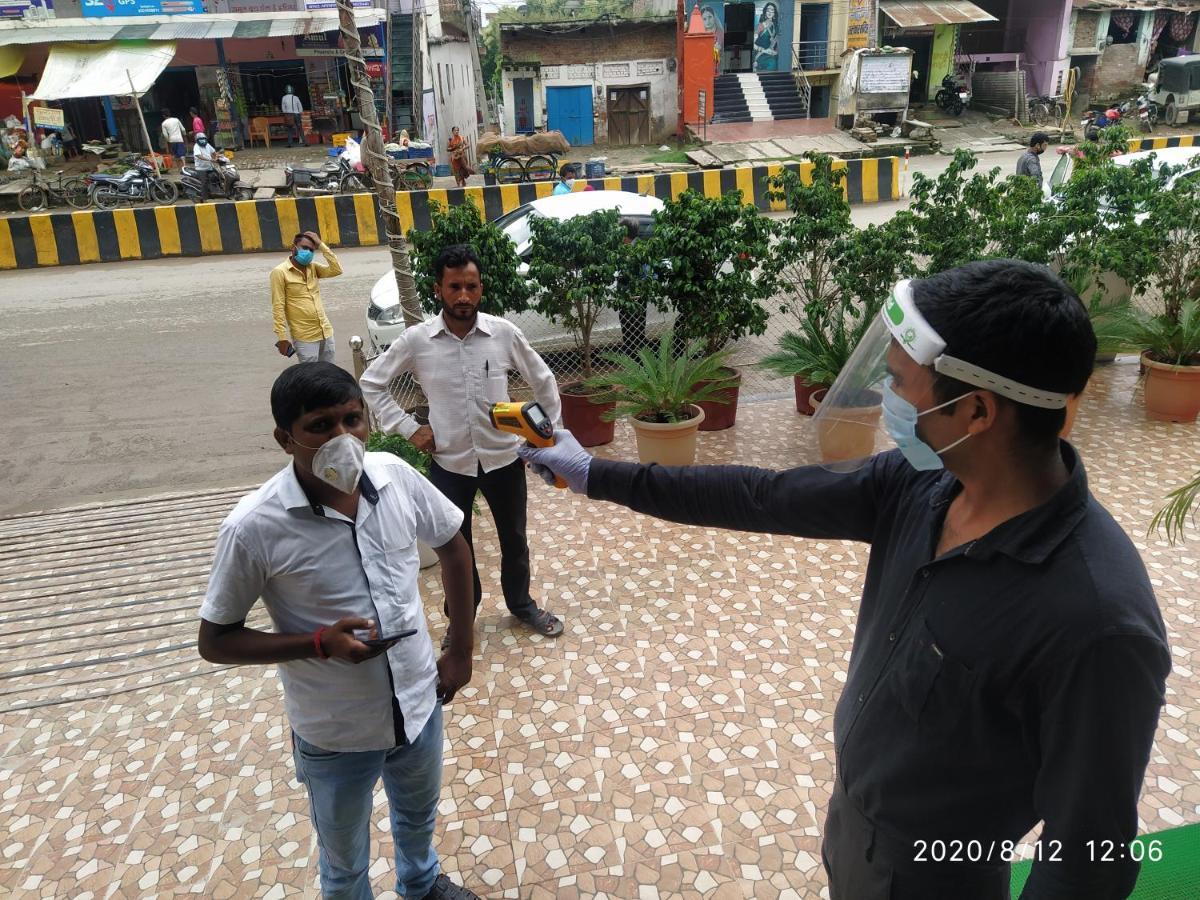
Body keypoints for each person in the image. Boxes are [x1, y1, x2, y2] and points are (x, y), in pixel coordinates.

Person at [520, 260, 1170, 900]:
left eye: (898, 384)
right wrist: (595, 476)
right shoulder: (927, 484)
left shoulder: (1095, 622)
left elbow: (1090, 861)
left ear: (976, 412)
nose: (886, 400)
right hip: (854, 828)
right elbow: (760, 496)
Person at [198, 362, 482, 900]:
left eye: (353, 419)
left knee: (418, 817)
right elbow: (215, 640)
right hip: (336, 732)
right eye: (320, 426)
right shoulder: (254, 527)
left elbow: (453, 545)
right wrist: (317, 643)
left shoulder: (394, 477)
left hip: (419, 704)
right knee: (344, 860)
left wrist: (460, 647)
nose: (343, 438)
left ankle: (420, 884)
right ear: (285, 439)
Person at [360, 244, 566, 642]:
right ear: (438, 289)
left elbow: (544, 381)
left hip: (504, 460)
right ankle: (461, 618)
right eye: (454, 287)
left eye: (471, 286)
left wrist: (545, 438)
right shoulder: (417, 341)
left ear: (481, 288)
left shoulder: (503, 333)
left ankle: (521, 605)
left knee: (515, 539)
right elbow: (372, 382)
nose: (463, 296)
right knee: (456, 547)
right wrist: (407, 428)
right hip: (449, 465)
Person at [270, 231, 342, 364]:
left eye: (311, 250)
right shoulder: (279, 272)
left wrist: (321, 245)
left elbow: (337, 270)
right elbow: (278, 306)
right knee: (310, 378)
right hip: (305, 337)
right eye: (305, 248)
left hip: (325, 331)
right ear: (294, 248)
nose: (308, 252)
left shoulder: (313, 268)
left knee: (330, 375)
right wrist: (282, 337)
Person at [192, 132, 219, 202]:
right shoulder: (196, 146)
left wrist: (216, 156)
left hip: (209, 167)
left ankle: (216, 192)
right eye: (200, 139)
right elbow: (198, 155)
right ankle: (204, 199)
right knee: (204, 183)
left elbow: (213, 152)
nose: (202, 140)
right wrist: (210, 159)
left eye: (203, 139)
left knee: (218, 176)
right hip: (201, 168)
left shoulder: (207, 145)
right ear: (197, 140)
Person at [753, 2, 779, 72]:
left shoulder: (775, 27)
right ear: (765, 12)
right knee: (772, 62)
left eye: (772, 11)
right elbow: (752, 44)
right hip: (760, 55)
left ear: (774, 14)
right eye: (768, 10)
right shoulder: (760, 26)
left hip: (771, 53)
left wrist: (775, 52)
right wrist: (764, 50)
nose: (770, 12)